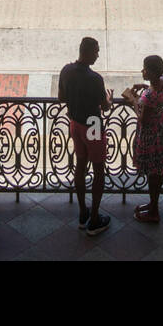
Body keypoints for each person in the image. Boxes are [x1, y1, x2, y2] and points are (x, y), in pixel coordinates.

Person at [58, 38, 113, 236]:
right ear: (88, 52)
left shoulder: (65, 70)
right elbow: (105, 107)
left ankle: (83, 213)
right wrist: (109, 99)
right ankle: (95, 219)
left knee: (80, 166)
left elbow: (61, 98)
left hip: (75, 124)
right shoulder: (95, 79)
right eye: (96, 51)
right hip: (93, 125)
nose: (98, 55)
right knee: (99, 169)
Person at [122, 55, 163, 223]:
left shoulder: (148, 97)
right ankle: (152, 204)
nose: (142, 70)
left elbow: (142, 118)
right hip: (161, 131)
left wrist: (133, 101)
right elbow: (157, 91)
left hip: (150, 138)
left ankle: (154, 211)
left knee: (152, 173)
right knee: (157, 170)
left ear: (150, 72)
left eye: (144, 68)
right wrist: (145, 87)